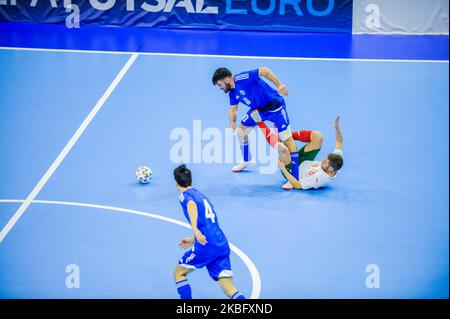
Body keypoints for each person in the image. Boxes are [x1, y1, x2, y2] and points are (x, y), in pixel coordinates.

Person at [212, 67, 299, 189]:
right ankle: (247, 160)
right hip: (258, 110)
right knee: (240, 131)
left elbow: (264, 71)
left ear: (226, 79)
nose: (220, 88)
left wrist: (279, 85)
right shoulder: (232, 92)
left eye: (220, 85)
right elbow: (233, 109)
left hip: (275, 107)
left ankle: (294, 177)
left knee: (287, 138)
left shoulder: (243, 78)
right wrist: (232, 122)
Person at [173, 164, 246, 299]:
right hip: (220, 243)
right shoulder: (202, 196)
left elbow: (191, 206)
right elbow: (208, 225)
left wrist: (194, 230)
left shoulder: (184, 196)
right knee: (228, 287)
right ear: (191, 179)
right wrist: (193, 239)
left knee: (178, 272)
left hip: (206, 246)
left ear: (176, 183)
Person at [257, 116, 343, 190]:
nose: (322, 161)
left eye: (324, 162)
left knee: (283, 149)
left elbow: (297, 185)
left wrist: (283, 168)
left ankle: (259, 121)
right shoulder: (335, 161)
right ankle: (286, 136)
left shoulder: (318, 179)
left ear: (330, 169)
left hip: (293, 172)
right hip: (305, 160)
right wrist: (337, 127)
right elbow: (339, 142)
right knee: (318, 136)